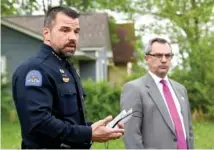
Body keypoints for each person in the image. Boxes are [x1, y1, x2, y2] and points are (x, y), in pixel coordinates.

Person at [12, 6, 124, 149]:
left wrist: (99, 128)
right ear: (47, 33)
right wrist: (88, 133)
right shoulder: (35, 69)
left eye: (76, 31)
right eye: (65, 30)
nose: (72, 37)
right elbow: (39, 122)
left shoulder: (66, 68)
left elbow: (69, 121)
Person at [120, 37, 194, 149]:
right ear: (147, 58)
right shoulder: (134, 89)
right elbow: (131, 136)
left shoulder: (180, 89)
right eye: (158, 55)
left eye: (168, 55)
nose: (164, 60)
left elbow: (189, 130)